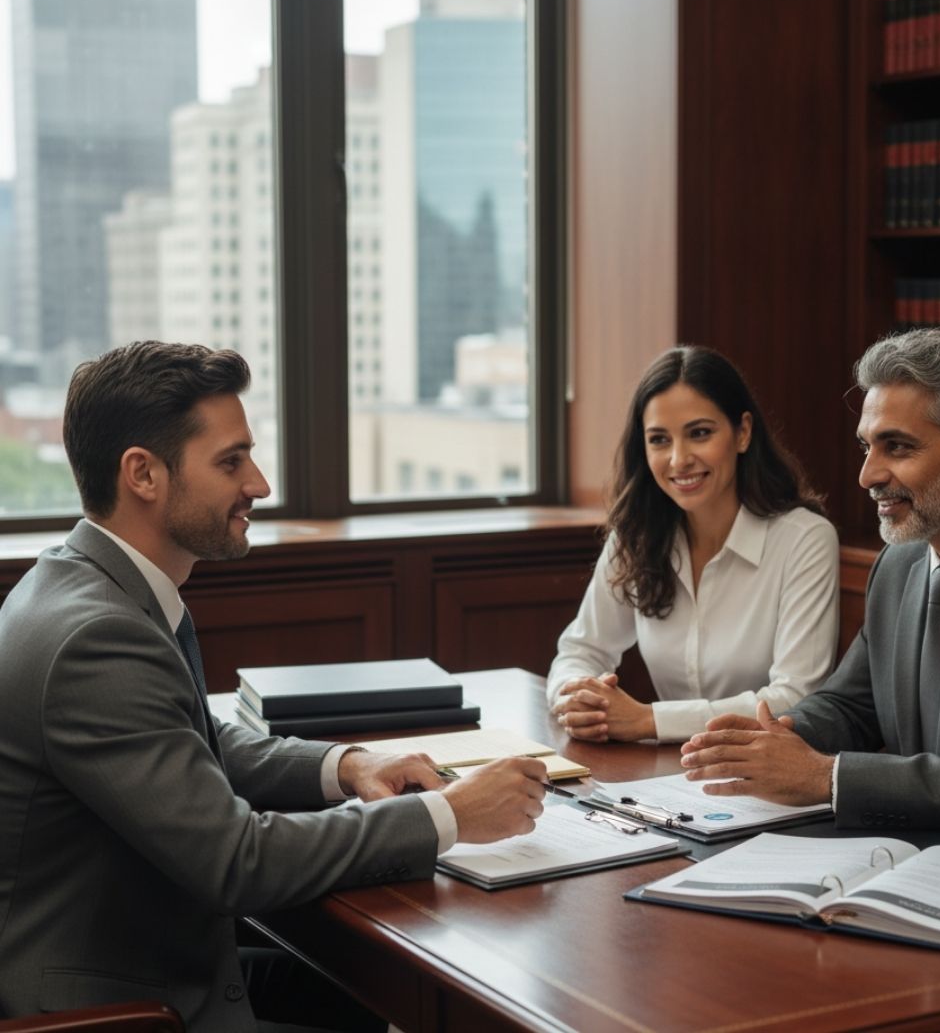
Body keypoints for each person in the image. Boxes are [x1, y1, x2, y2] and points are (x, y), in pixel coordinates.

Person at [0, 342, 547, 1032]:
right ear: (142, 473)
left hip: (140, 959)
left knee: (370, 998)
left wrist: (348, 766)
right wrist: (452, 816)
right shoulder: (96, 638)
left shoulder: (78, 581)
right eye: (231, 462)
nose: (257, 483)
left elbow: (193, 742)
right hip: (112, 1006)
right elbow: (238, 861)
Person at [681, 328, 940, 833]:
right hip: (913, 851)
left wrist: (828, 778)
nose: (867, 475)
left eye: (897, 447)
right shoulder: (900, 565)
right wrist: (773, 740)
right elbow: (852, 705)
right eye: (867, 447)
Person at [547, 345, 840, 744]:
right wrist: (577, 700)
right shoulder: (637, 535)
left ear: (743, 433)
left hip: (765, 777)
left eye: (699, 433)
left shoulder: (804, 540)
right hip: (666, 774)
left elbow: (795, 696)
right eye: (659, 440)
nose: (679, 459)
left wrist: (648, 720)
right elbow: (580, 649)